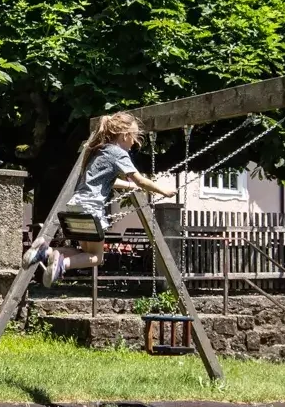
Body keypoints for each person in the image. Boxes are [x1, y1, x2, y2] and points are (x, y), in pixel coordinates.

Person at [26, 111, 175, 285]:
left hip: (74, 207)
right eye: (134, 137)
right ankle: (61, 264)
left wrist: (129, 186)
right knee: (96, 258)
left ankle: (45, 251)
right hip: (91, 210)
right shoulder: (118, 153)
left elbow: (105, 180)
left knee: (83, 252)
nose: (134, 142)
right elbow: (140, 179)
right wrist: (164, 191)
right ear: (125, 135)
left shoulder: (98, 150)